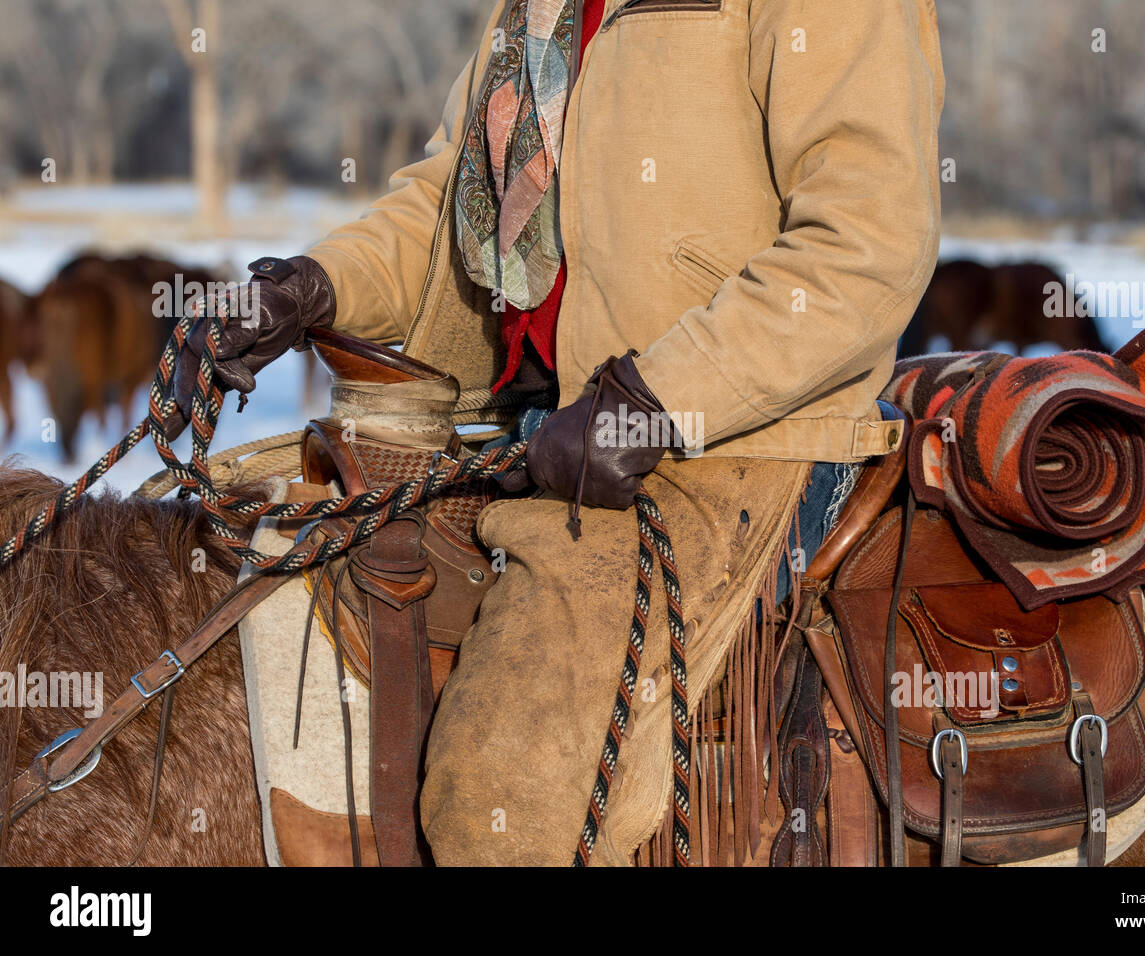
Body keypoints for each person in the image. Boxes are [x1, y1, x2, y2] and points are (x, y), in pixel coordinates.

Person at [171, 0, 944, 865]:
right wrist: (308, 289)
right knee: (244, 544)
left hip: (740, 442)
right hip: (542, 435)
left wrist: (659, 398)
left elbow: (868, 242)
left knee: (498, 801)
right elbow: (450, 214)